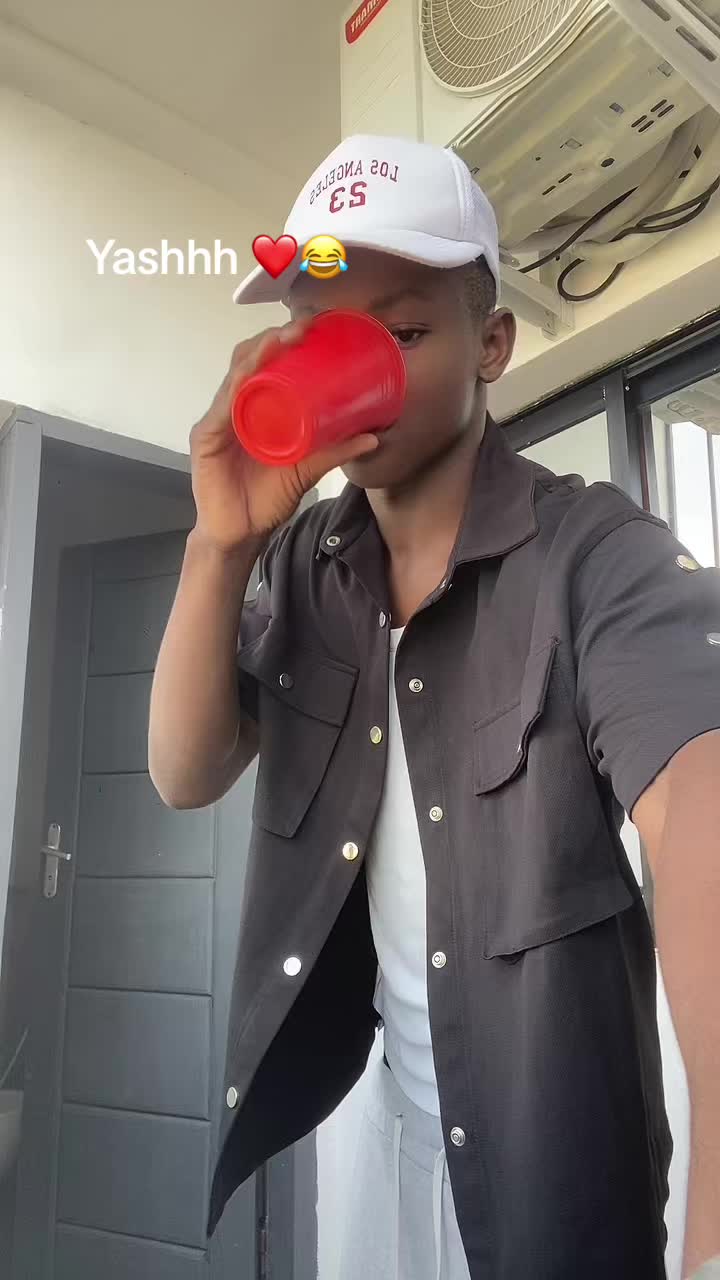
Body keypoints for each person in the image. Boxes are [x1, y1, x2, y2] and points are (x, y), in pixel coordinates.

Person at [148, 135, 720, 1280]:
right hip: (378, 1124)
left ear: (491, 343)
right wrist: (221, 542)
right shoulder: (304, 562)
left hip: (553, 1164)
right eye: (323, 336)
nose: (359, 365)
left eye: (402, 332)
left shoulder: (594, 553)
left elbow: (701, 799)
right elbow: (186, 768)